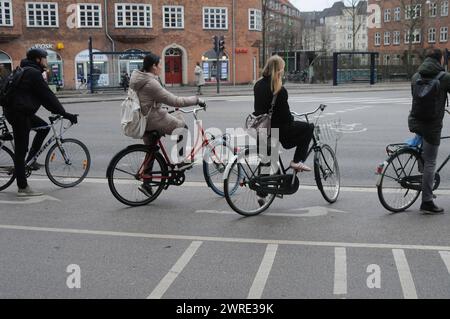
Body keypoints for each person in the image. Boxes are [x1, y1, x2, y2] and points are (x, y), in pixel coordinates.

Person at [3, 48, 78, 197]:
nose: (47, 61)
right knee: (20, 149)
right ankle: (22, 187)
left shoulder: (23, 69)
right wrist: (66, 114)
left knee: (43, 128)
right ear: (38, 59)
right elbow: (47, 97)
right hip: (19, 114)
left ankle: (30, 160)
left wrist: (59, 111)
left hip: (18, 111)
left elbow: (44, 98)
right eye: (45, 58)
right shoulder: (33, 74)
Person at [129, 53, 205, 197]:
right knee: (182, 128)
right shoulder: (151, 83)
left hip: (143, 120)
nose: (161, 67)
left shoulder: (139, 79)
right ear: (153, 66)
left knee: (151, 151)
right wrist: (196, 100)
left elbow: (151, 101)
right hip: (153, 120)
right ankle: (181, 161)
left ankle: (146, 184)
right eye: (159, 64)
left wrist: (162, 108)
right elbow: (175, 101)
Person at [253, 55, 314, 173]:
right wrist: (292, 118)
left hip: (262, 129)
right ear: (279, 70)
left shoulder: (258, 85)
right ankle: (297, 161)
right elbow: (286, 117)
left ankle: (264, 187)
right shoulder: (279, 89)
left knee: (268, 162)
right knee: (308, 127)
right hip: (278, 130)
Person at [409, 48, 450, 214]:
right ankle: (426, 201)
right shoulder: (445, 77)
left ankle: (423, 174)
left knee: (425, 157)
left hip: (415, 121)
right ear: (440, 60)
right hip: (432, 125)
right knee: (431, 162)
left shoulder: (415, 76)